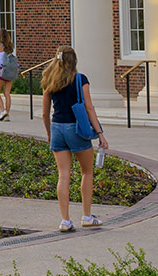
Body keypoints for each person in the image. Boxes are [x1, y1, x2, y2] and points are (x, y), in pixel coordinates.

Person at [41, 45, 109, 232]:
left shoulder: (49, 79)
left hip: (57, 128)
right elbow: (89, 108)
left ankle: (65, 220)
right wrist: (100, 133)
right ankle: (87, 216)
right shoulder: (80, 79)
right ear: (74, 61)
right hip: (76, 129)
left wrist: (49, 133)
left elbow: (45, 113)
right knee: (87, 172)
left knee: (63, 175)